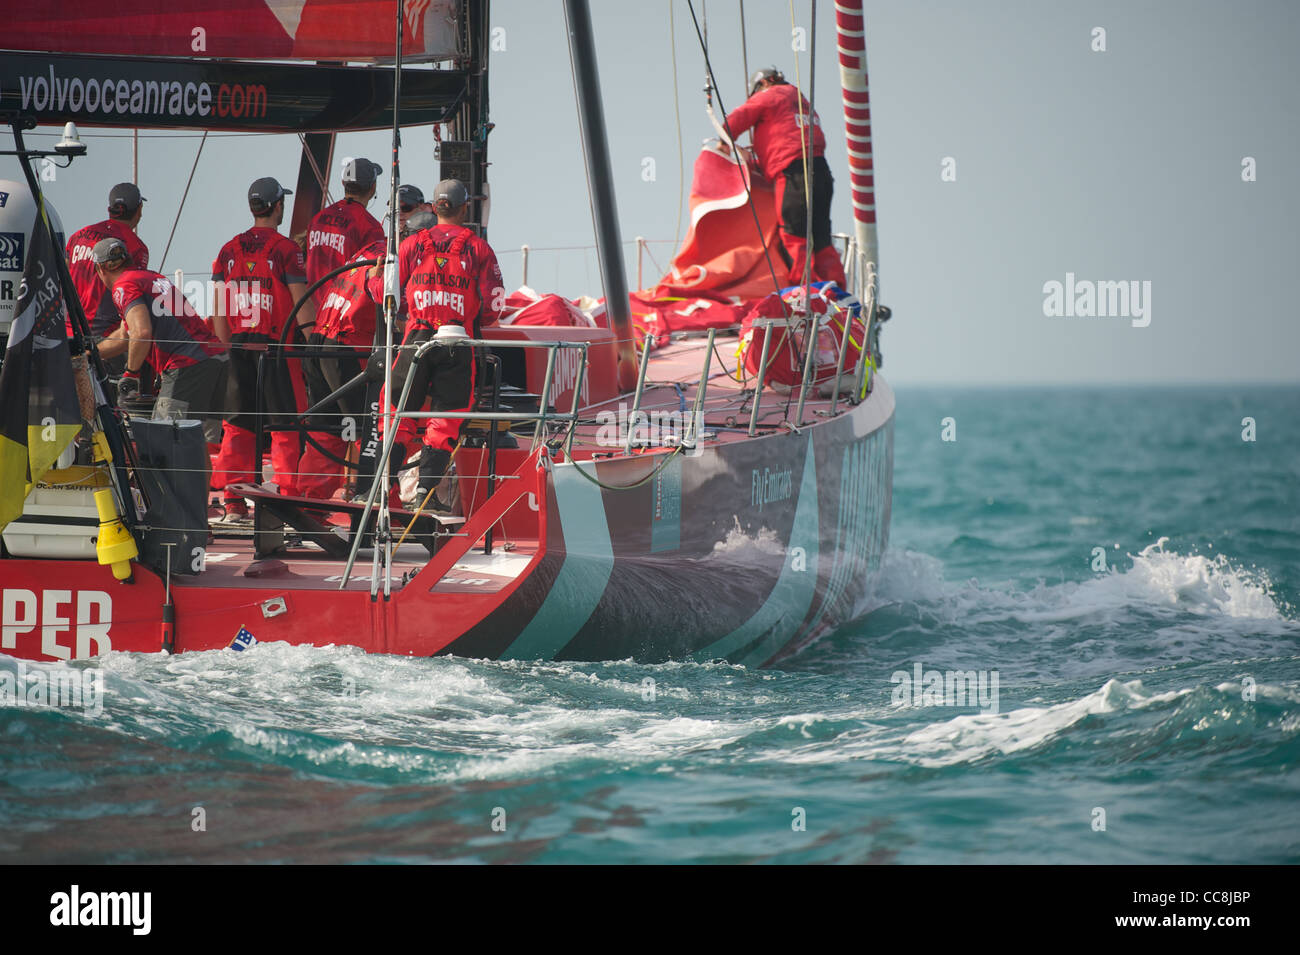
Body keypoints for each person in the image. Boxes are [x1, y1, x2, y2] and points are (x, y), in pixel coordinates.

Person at [384, 179, 504, 504]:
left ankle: (383, 484)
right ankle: (425, 490)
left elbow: (388, 296)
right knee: (446, 419)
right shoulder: (479, 248)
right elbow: (494, 307)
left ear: (434, 207)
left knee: (397, 412)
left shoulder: (410, 245)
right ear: (464, 208)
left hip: (416, 339)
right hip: (457, 341)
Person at [209, 176, 315, 518]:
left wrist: (227, 350)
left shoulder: (228, 250)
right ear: (278, 206)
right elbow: (302, 307)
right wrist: (315, 346)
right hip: (277, 351)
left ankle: (234, 500)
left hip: (239, 349)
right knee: (285, 427)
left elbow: (219, 310)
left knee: (237, 427)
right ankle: (287, 497)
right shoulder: (287, 250)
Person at [92, 237, 227, 444]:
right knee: (202, 446)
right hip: (216, 360)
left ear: (100, 269)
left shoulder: (123, 286)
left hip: (187, 365)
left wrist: (131, 374)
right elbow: (124, 336)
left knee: (163, 444)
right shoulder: (150, 277)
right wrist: (90, 353)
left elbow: (141, 332)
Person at [722, 67, 847, 288]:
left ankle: (803, 293)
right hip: (821, 173)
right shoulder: (799, 102)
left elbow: (740, 116)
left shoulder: (772, 95)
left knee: (793, 235)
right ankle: (835, 290)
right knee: (821, 238)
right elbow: (788, 144)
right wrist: (753, 160)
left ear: (765, 83)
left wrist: (724, 140)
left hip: (794, 177)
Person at [298, 237, 386, 500]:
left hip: (319, 340)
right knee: (370, 429)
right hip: (346, 346)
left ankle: (312, 506)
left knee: (326, 429)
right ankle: (382, 506)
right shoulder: (390, 260)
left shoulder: (368, 248)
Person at [65, 183, 150, 352]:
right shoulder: (136, 247)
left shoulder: (78, 236)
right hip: (106, 339)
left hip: (66, 332)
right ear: (139, 209)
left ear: (109, 209)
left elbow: (62, 277)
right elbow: (132, 292)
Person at [305, 158, 384, 308]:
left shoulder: (317, 219)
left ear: (343, 183)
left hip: (310, 311)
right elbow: (374, 276)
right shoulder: (370, 227)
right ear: (373, 187)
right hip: (341, 313)